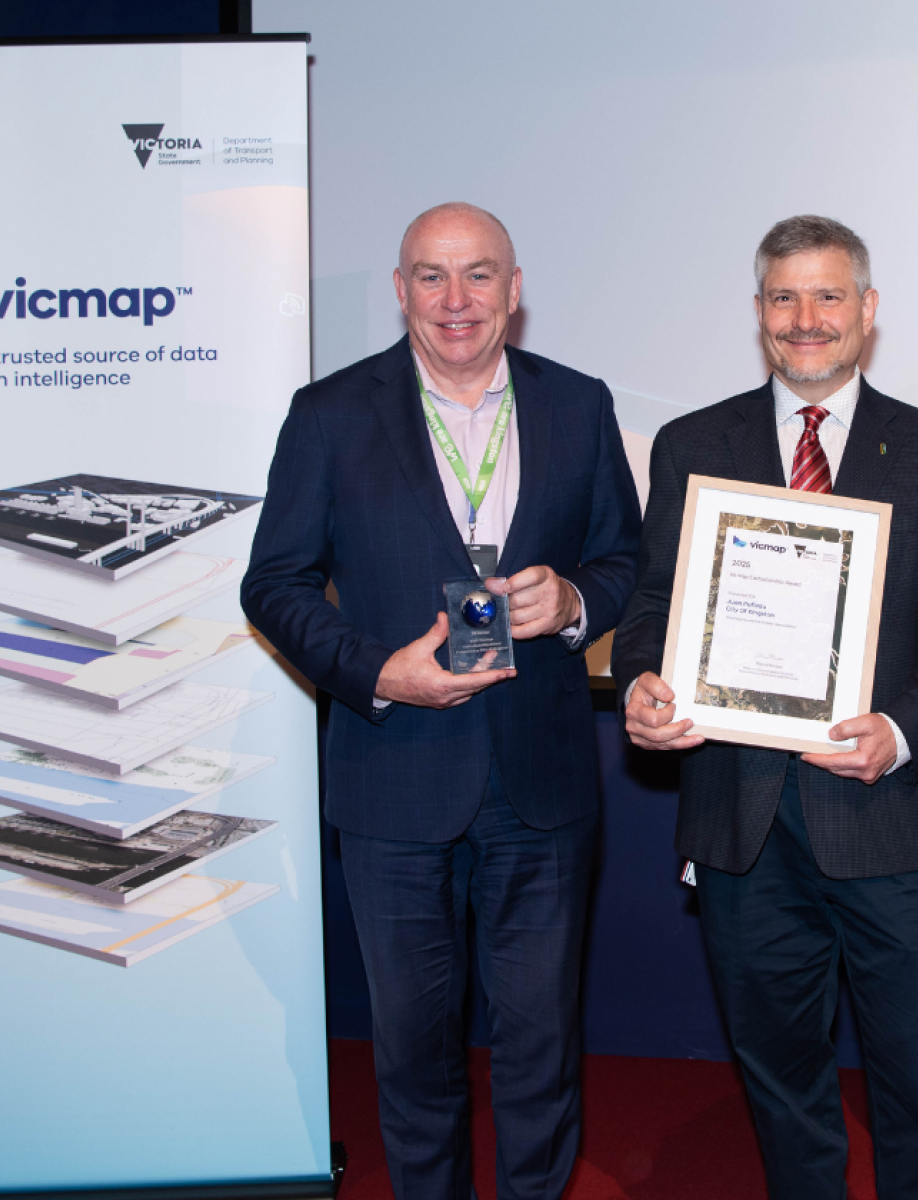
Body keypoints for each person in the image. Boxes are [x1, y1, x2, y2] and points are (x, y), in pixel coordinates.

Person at [241, 202, 641, 1200]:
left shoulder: (579, 406)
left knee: (540, 1051)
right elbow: (273, 584)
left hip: (540, 787)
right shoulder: (330, 414)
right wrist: (379, 672)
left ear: (514, 290)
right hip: (393, 783)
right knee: (414, 1059)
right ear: (399, 289)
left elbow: (627, 563)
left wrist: (575, 602)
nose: (455, 301)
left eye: (477, 276)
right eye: (430, 275)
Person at [614, 215, 918, 1200]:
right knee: (782, 1090)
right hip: (741, 829)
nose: (806, 318)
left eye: (828, 295)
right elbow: (651, 609)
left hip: (890, 825)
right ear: (757, 314)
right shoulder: (692, 444)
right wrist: (642, 684)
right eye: (784, 297)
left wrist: (901, 731)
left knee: (916, 1090)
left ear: (866, 311)